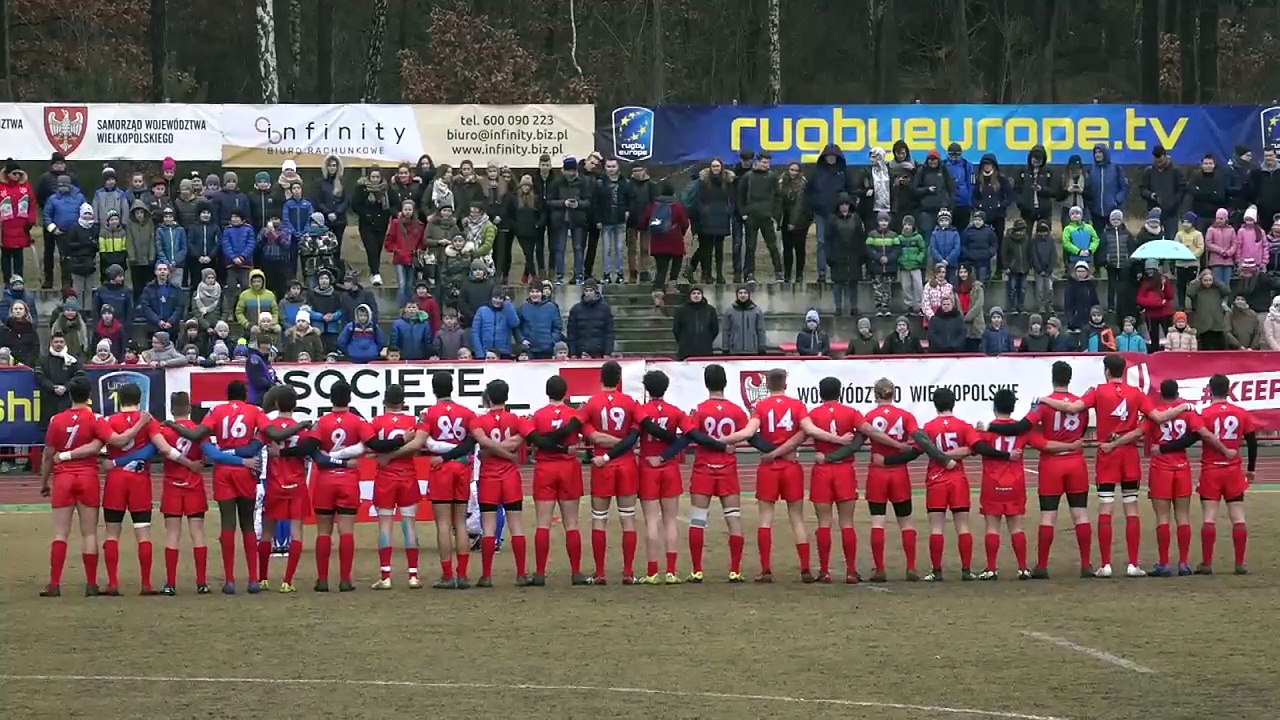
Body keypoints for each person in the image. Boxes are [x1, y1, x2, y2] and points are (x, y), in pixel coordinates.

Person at [1035, 354, 1185, 579]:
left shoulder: (1097, 391)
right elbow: (1158, 417)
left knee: (1106, 507)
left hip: (1108, 454)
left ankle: (1105, 565)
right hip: (1130, 455)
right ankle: (1133, 564)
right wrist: (1185, 407)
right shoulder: (1136, 393)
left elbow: (1074, 408)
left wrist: (1044, 400)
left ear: (1106, 371)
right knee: (1131, 507)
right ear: (1124, 371)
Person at [93, 382, 202, 596]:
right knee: (143, 532)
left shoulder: (109, 420)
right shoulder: (148, 421)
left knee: (112, 533)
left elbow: (101, 447)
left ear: (119, 400)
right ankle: (146, 584)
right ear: (140, 399)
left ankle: (113, 583)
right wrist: (189, 463)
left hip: (115, 481)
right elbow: (165, 449)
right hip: (140, 481)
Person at [974, 389, 1083, 580]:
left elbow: (973, 448)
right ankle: (1023, 568)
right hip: (1015, 484)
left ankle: (991, 569)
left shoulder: (985, 430)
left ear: (994, 407)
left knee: (992, 526)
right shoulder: (1024, 430)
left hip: (992, 483)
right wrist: (1071, 446)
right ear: (1013, 407)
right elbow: (1046, 445)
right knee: (1017, 526)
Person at [652, 364, 747, 582]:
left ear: (706, 384)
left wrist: (665, 456)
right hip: (728, 469)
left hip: (704, 468)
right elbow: (751, 436)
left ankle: (697, 570)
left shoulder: (699, 410)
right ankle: (735, 570)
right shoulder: (737, 411)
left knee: (698, 520)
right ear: (725, 382)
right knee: (733, 519)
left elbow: (687, 437)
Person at [877, 388, 976, 581]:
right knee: (962, 525)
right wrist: (955, 454)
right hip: (958, 479)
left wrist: (887, 461)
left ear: (934, 404)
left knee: (936, 527)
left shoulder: (929, 428)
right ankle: (966, 570)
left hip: (936, 479)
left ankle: (937, 571)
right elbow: (974, 448)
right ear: (954, 402)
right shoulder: (964, 426)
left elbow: (914, 452)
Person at [39, 377, 107, 596]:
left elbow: (48, 455)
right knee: (89, 534)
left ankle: (55, 583)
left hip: (63, 478)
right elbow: (102, 444)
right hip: (88, 476)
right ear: (89, 396)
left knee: (60, 533)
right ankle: (91, 583)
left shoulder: (56, 420)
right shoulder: (95, 418)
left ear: (69, 395)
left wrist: (44, 482)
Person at [1142, 380, 1216, 577]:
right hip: (1182, 465)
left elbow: (1145, 440)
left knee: (1162, 516)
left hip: (1161, 467)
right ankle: (1183, 563)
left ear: (1161, 394)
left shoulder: (1155, 412)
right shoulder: (1188, 411)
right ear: (1177, 393)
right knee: (1183, 515)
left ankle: (1164, 563)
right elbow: (1199, 433)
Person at [362, 385, 430, 590]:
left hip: (385, 477)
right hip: (408, 475)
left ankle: (386, 576)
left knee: (385, 525)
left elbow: (369, 448)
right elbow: (419, 447)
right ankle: (413, 575)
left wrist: (381, 455)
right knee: (409, 524)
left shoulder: (376, 422)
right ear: (403, 402)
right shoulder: (412, 422)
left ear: (384, 403)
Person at [525, 375, 588, 585]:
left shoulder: (538, 415)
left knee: (543, 523)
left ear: (547, 392)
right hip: (568, 467)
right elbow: (588, 434)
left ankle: (540, 572)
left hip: (545, 468)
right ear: (565, 393)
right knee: (571, 523)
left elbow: (534, 439)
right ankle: (576, 572)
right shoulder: (574, 414)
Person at [469, 379, 533, 587]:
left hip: (488, 477)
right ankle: (521, 574)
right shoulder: (516, 419)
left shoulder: (479, 421)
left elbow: (482, 442)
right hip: (510, 476)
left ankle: (486, 575)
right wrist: (507, 452)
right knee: (516, 525)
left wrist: (490, 451)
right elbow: (519, 440)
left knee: (488, 527)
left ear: (487, 398)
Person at [419, 373, 477, 587]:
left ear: (434, 390)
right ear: (452, 388)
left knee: (443, 524)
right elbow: (472, 442)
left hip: (441, 469)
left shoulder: (429, 414)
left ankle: (447, 575)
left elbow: (420, 441)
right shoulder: (467, 413)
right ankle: (462, 574)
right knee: (460, 523)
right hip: (461, 467)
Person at [1196, 373, 1258, 575]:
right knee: (1238, 516)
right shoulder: (1241, 413)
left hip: (1211, 470)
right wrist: (1251, 468)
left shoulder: (1204, 414)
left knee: (1209, 517)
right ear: (1229, 390)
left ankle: (1206, 564)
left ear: (1209, 390)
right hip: (1233, 470)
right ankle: (1240, 563)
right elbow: (1252, 442)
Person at [546, 157, 592, 285]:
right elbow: (549, 201)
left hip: (578, 220)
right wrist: (563, 203)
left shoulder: (583, 182)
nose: (571, 174)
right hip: (560, 220)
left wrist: (578, 204)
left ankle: (579, 275)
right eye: (568, 171)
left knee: (578, 248)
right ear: (563, 170)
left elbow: (588, 201)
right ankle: (560, 275)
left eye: (573, 171)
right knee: (560, 249)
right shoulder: (556, 183)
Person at [738, 152, 783, 283]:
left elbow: (778, 196)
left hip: (767, 217)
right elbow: (740, 196)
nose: (765, 165)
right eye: (763, 162)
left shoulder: (772, 177)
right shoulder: (748, 177)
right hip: (751, 217)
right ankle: (749, 274)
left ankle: (779, 272)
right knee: (750, 246)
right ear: (756, 162)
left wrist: (775, 214)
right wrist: (744, 213)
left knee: (773, 246)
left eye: (767, 163)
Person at [643, 180, 690, 294]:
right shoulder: (677, 205)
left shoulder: (653, 205)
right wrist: (682, 233)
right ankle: (671, 286)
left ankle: (658, 289)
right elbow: (684, 223)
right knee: (677, 262)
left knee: (661, 267)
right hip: (674, 238)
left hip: (658, 240)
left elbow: (645, 219)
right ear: (673, 192)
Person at [42, 174, 87, 288]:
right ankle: (66, 286)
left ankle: (78, 284)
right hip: (60, 234)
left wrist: (83, 227)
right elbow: (47, 216)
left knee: (77, 258)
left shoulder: (79, 197)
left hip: (77, 233)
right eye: (60, 185)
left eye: (64, 185)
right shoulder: (52, 199)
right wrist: (53, 229)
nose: (62, 187)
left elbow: (86, 212)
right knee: (64, 260)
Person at [34, 331, 86, 426]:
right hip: (49, 399)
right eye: (56, 342)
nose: (59, 344)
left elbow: (79, 376)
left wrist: (66, 387)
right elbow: (39, 376)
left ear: (65, 343)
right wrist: (53, 387)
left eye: (61, 342)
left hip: (68, 399)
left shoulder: (73, 360)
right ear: (51, 343)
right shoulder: (43, 359)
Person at [827, 193, 865, 316]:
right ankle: (838, 307)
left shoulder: (856, 218)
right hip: (838, 254)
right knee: (838, 282)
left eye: (846, 204)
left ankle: (854, 306)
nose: (844, 207)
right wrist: (829, 256)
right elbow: (828, 240)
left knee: (853, 282)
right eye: (842, 204)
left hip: (853, 254)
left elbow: (861, 238)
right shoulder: (832, 220)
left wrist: (862, 255)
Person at [0, 159, 36, 282]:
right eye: (14, 173)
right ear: (7, 174)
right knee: (5, 255)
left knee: (18, 255)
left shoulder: (26, 187)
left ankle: (19, 280)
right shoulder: (1, 187)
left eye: (19, 173)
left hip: (22, 227)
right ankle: (7, 281)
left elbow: (32, 204)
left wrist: (31, 221)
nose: (17, 176)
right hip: (5, 228)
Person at [385, 199, 426, 307]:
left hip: (412, 259)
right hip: (400, 258)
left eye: (410, 209)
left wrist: (418, 251)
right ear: (402, 210)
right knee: (402, 284)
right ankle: (401, 308)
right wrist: (396, 249)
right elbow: (389, 241)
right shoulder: (396, 223)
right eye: (405, 209)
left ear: (413, 210)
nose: (407, 212)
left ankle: (410, 307)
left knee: (410, 284)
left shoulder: (419, 225)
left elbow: (422, 242)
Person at [565, 279, 615, 358]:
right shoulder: (575, 309)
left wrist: (607, 352)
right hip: (580, 352)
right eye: (586, 290)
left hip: (599, 352)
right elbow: (571, 333)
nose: (588, 293)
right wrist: (572, 353)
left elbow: (609, 332)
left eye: (591, 290)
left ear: (595, 291)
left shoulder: (605, 309)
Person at [59, 203, 98, 303]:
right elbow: (69, 245)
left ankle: (88, 310)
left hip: (90, 263)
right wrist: (84, 244)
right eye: (85, 213)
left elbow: (96, 245)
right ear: (81, 214)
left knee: (89, 289)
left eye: (89, 214)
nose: (87, 216)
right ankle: (78, 310)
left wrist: (91, 245)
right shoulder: (74, 228)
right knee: (78, 290)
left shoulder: (94, 228)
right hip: (77, 263)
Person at [1139, 145, 1186, 223]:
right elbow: (1142, 189)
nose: (1158, 162)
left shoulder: (1175, 171)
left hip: (1171, 213)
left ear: (1165, 156)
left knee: (1170, 234)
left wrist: (1174, 201)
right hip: (1153, 212)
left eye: (1160, 160)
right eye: (1156, 159)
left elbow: (1182, 188)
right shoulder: (1148, 171)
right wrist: (1150, 195)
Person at [912, 149, 955, 237]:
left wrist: (950, 206)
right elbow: (914, 190)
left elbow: (951, 189)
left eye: (935, 159)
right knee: (927, 235)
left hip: (942, 210)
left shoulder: (944, 170)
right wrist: (927, 189)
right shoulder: (922, 170)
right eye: (930, 159)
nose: (932, 162)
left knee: (942, 235)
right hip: (926, 211)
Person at [865, 211, 901, 316]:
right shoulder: (872, 234)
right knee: (878, 288)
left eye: (886, 221)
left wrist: (888, 258)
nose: (883, 223)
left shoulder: (893, 235)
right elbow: (869, 249)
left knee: (887, 288)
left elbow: (897, 250)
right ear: (878, 222)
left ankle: (886, 307)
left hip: (889, 267)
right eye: (881, 221)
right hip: (876, 267)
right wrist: (878, 257)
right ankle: (879, 308)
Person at [1186, 268, 1231, 350]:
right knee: (1207, 347)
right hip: (1203, 324)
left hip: (1217, 323)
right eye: (1205, 280)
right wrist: (1198, 282)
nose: (1208, 282)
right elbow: (1190, 293)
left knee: (1220, 347)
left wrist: (1215, 281)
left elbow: (1227, 290)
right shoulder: (1198, 290)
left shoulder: (1217, 289)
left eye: (1210, 280)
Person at [1014, 145, 1056, 230]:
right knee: (1025, 236)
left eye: (1039, 160)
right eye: (1034, 159)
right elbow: (1016, 189)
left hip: (1044, 210)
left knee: (1043, 237)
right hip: (1027, 210)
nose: (1036, 162)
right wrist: (1021, 203)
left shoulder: (1049, 171)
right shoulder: (1023, 171)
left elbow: (1055, 191)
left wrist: (1042, 189)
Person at [471, 287, 519, 359]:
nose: (498, 300)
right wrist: (480, 353)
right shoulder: (482, 311)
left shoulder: (507, 310)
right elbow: (475, 333)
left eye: (501, 298)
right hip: (485, 352)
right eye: (495, 297)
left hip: (503, 352)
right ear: (491, 298)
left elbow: (515, 323)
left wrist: (508, 305)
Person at [672, 286, 718, 360]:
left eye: (698, 293)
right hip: (686, 349)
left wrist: (707, 339)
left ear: (702, 295)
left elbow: (715, 329)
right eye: (693, 293)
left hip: (705, 348)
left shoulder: (710, 310)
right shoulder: (681, 310)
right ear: (690, 295)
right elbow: (676, 329)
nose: (696, 295)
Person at [517, 283, 561, 359]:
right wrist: (522, 340)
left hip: (547, 350)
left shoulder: (552, 307)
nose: (534, 294)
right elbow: (517, 327)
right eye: (532, 292)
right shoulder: (523, 308)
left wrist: (552, 341)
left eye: (537, 291)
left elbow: (557, 327)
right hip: (529, 350)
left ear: (542, 292)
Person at [721, 285, 766, 355]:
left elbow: (761, 330)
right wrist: (725, 347)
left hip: (752, 349)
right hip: (735, 350)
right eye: (740, 293)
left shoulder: (757, 310)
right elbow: (726, 330)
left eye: (745, 293)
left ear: (749, 295)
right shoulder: (729, 311)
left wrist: (762, 346)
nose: (743, 295)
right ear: (737, 295)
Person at [897, 214, 926, 314]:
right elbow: (897, 250)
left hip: (915, 266)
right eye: (905, 224)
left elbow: (923, 249)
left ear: (913, 226)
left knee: (918, 286)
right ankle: (908, 306)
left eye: (909, 224)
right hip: (904, 267)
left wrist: (919, 259)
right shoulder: (899, 238)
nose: (907, 226)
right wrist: (900, 260)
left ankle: (920, 306)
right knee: (906, 287)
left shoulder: (918, 237)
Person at [960, 210, 996, 282]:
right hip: (971, 261)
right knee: (972, 281)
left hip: (984, 261)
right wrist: (967, 254)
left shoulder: (989, 231)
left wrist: (989, 253)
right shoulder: (968, 231)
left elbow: (994, 244)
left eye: (979, 220)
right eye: (975, 220)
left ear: (983, 221)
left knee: (982, 282)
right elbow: (963, 245)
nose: (977, 222)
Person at [1, 298, 39, 366]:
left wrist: (27, 363)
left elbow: (35, 349)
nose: (18, 311)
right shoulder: (5, 329)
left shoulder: (31, 329)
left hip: (28, 366)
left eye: (20, 309)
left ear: (25, 311)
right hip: (9, 365)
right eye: (15, 309)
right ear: (12, 311)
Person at [928, 208, 960, 283]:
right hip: (938, 264)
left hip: (951, 264)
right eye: (942, 221)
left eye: (946, 220)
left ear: (949, 221)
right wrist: (941, 260)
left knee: (952, 283)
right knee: (939, 283)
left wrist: (948, 260)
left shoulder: (955, 233)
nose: (944, 222)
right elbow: (933, 248)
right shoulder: (934, 233)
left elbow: (957, 248)